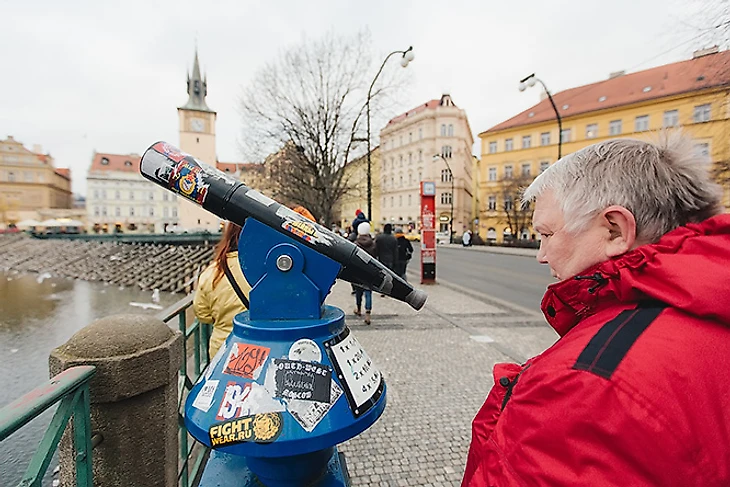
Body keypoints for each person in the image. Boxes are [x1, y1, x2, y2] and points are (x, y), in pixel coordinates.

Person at [462, 133, 730, 486]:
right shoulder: (709, 308)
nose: (541, 255)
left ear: (615, 230)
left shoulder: (582, 385)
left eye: (546, 234)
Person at [193, 221, 251, 358]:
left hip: (224, 350)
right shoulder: (268, 269)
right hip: (260, 349)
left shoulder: (212, 273)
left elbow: (202, 314)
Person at [353, 221, 376, 324]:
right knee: (368, 292)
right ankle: (368, 313)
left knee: (358, 292)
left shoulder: (355, 244)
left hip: (358, 271)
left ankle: (358, 308)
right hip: (369, 271)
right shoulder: (373, 244)